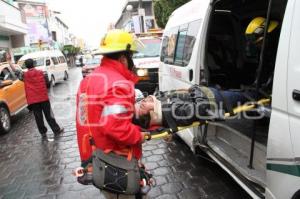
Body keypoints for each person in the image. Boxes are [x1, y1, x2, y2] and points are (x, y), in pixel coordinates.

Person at [76, 30, 149, 199]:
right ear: (124, 58)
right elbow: (116, 127)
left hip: (96, 158)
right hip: (117, 161)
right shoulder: (119, 83)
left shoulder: (89, 80)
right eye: (131, 56)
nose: (133, 62)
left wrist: (135, 110)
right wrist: (140, 136)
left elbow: (91, 116)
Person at [23, 58, 64, 140]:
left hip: (33, 101)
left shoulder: (24, 75)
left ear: (26, 66)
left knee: (38, 118)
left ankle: (43, 133)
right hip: (43, 98)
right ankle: (56, 130)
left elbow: (16, 72)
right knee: (49, 115)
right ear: (34, 64)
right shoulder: (41, 72)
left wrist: (10, 63)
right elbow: (47, 82)